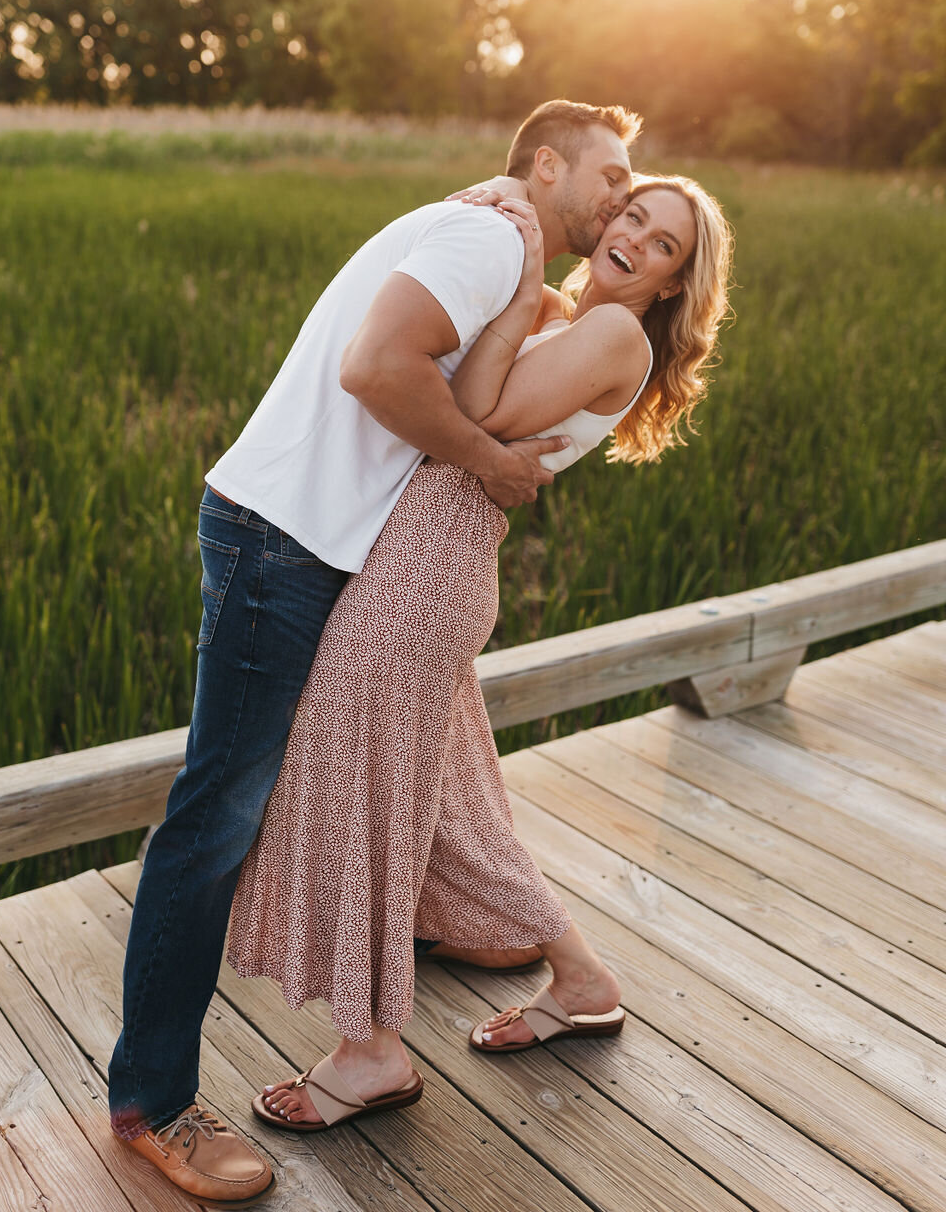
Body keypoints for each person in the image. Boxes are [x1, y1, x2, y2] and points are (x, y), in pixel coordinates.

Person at [110, 99, 643, 1202]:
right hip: (284, 540)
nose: (620, 198)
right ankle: (153, 1103)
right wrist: (488, 465)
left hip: (300, 538)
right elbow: (374, 369)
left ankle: (450, 958)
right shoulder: (490, 235)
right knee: (215, 815)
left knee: (291, 792)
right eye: (608, 174)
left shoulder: (498, 240)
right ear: (544, 166)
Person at [228, 168, 733, 1133]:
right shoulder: (564, 311)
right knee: (452, 806)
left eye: (663, 242)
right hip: (421, 561)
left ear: (673, 284)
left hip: (428, 572)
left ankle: (371, 1049)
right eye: (632, 214)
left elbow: (484, 414)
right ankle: (582, 979)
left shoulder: (615, 332)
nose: (633, 237)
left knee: (356, 782)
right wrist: (507, 226)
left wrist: (528, 278)